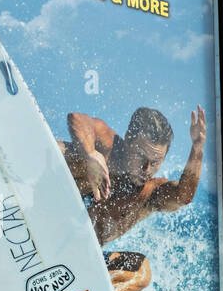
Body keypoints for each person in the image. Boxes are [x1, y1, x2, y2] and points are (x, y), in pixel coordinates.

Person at [59, 104, 206, 246]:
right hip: (52, 210)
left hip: (78, 253)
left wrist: (197, 149)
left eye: (155, 162)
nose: (147, 169)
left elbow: (183, 196)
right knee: (75, 154)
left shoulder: (150, 193)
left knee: (140, 267)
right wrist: (90, 153)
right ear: (128, 139)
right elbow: (77, 119)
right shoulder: (110, 146)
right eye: (141, 156)